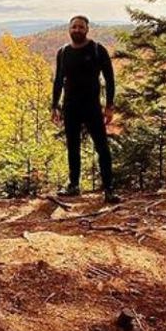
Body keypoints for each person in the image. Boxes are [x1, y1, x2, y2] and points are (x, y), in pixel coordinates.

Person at [51, 15, 119, 203]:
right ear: (69, 29)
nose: (77, 30)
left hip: (92, 107)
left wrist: (109, 106)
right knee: (73, 147)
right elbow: (58, 80)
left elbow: (110, 79)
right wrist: (54, 106)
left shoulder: (97, 50)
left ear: (87, 29)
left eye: (81, 27)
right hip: (70, 107)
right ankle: (74, 186)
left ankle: (109, 189)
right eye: (74, 27)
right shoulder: (63, 52)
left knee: (102, 148)